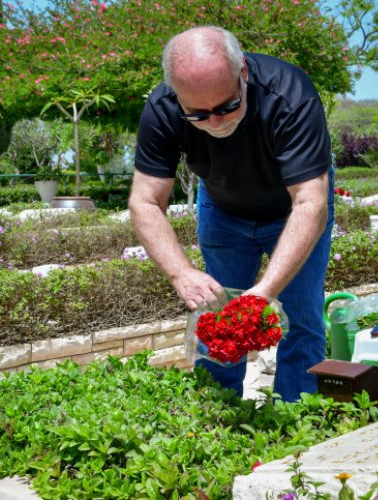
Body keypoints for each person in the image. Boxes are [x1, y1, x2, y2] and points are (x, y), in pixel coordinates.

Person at [128, 25, 334, 402]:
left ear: (243, 74)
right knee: (216, 318)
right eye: (198, 115)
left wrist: (265, 292)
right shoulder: (162, 107)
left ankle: (297, 423)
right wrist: (181, 273)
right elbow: (144, 201)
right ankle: (218, 423)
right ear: (176, 94)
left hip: (294, 209)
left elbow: (310, 201)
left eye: (226, 106)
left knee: (302, 319)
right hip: (222, 211)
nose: (216, 123)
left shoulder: (290, 94)